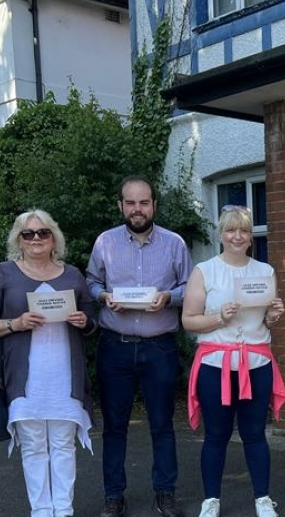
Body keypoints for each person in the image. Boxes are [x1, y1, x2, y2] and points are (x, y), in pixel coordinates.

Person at [0, 209, 97, 517]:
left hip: (65, 375)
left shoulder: (72, 274)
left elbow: (92, 321)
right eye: (28, 234)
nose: (36, 239)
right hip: (25, 376)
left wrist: (84, 321)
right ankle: (42, 511)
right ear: (19, 239)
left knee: (63, 445)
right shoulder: (4, 273)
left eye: (43, 232)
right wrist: (15, 323)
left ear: (54, 237)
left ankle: (64, 510)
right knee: (32, 447)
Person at [86, 176, 193, 517]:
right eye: (130, 203)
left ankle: (165, 493)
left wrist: (170, 297)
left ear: (154, 205)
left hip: (158, 347)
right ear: (120, 205)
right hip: (114, 346)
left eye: (143, 202)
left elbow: (190, 286)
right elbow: (92, 281)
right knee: (114, 427)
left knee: (162, 424)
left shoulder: (174, 244)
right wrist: (102, 296)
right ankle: (113, 496)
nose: (137, 209)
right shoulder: (105, 242)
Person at [183, 206, 285, 517]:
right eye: (230, 230)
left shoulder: (265, 271)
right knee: (216, 434)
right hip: (216, 363)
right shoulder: (204, 270)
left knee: (255, 433)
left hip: (256, 363)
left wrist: (272, 317)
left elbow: (266, 323)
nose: (237, 236)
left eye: (243, 230)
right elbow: (189, 321)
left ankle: (263, 499)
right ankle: (211, 500)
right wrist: (219, 317)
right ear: (221, 234)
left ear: (250, 236)